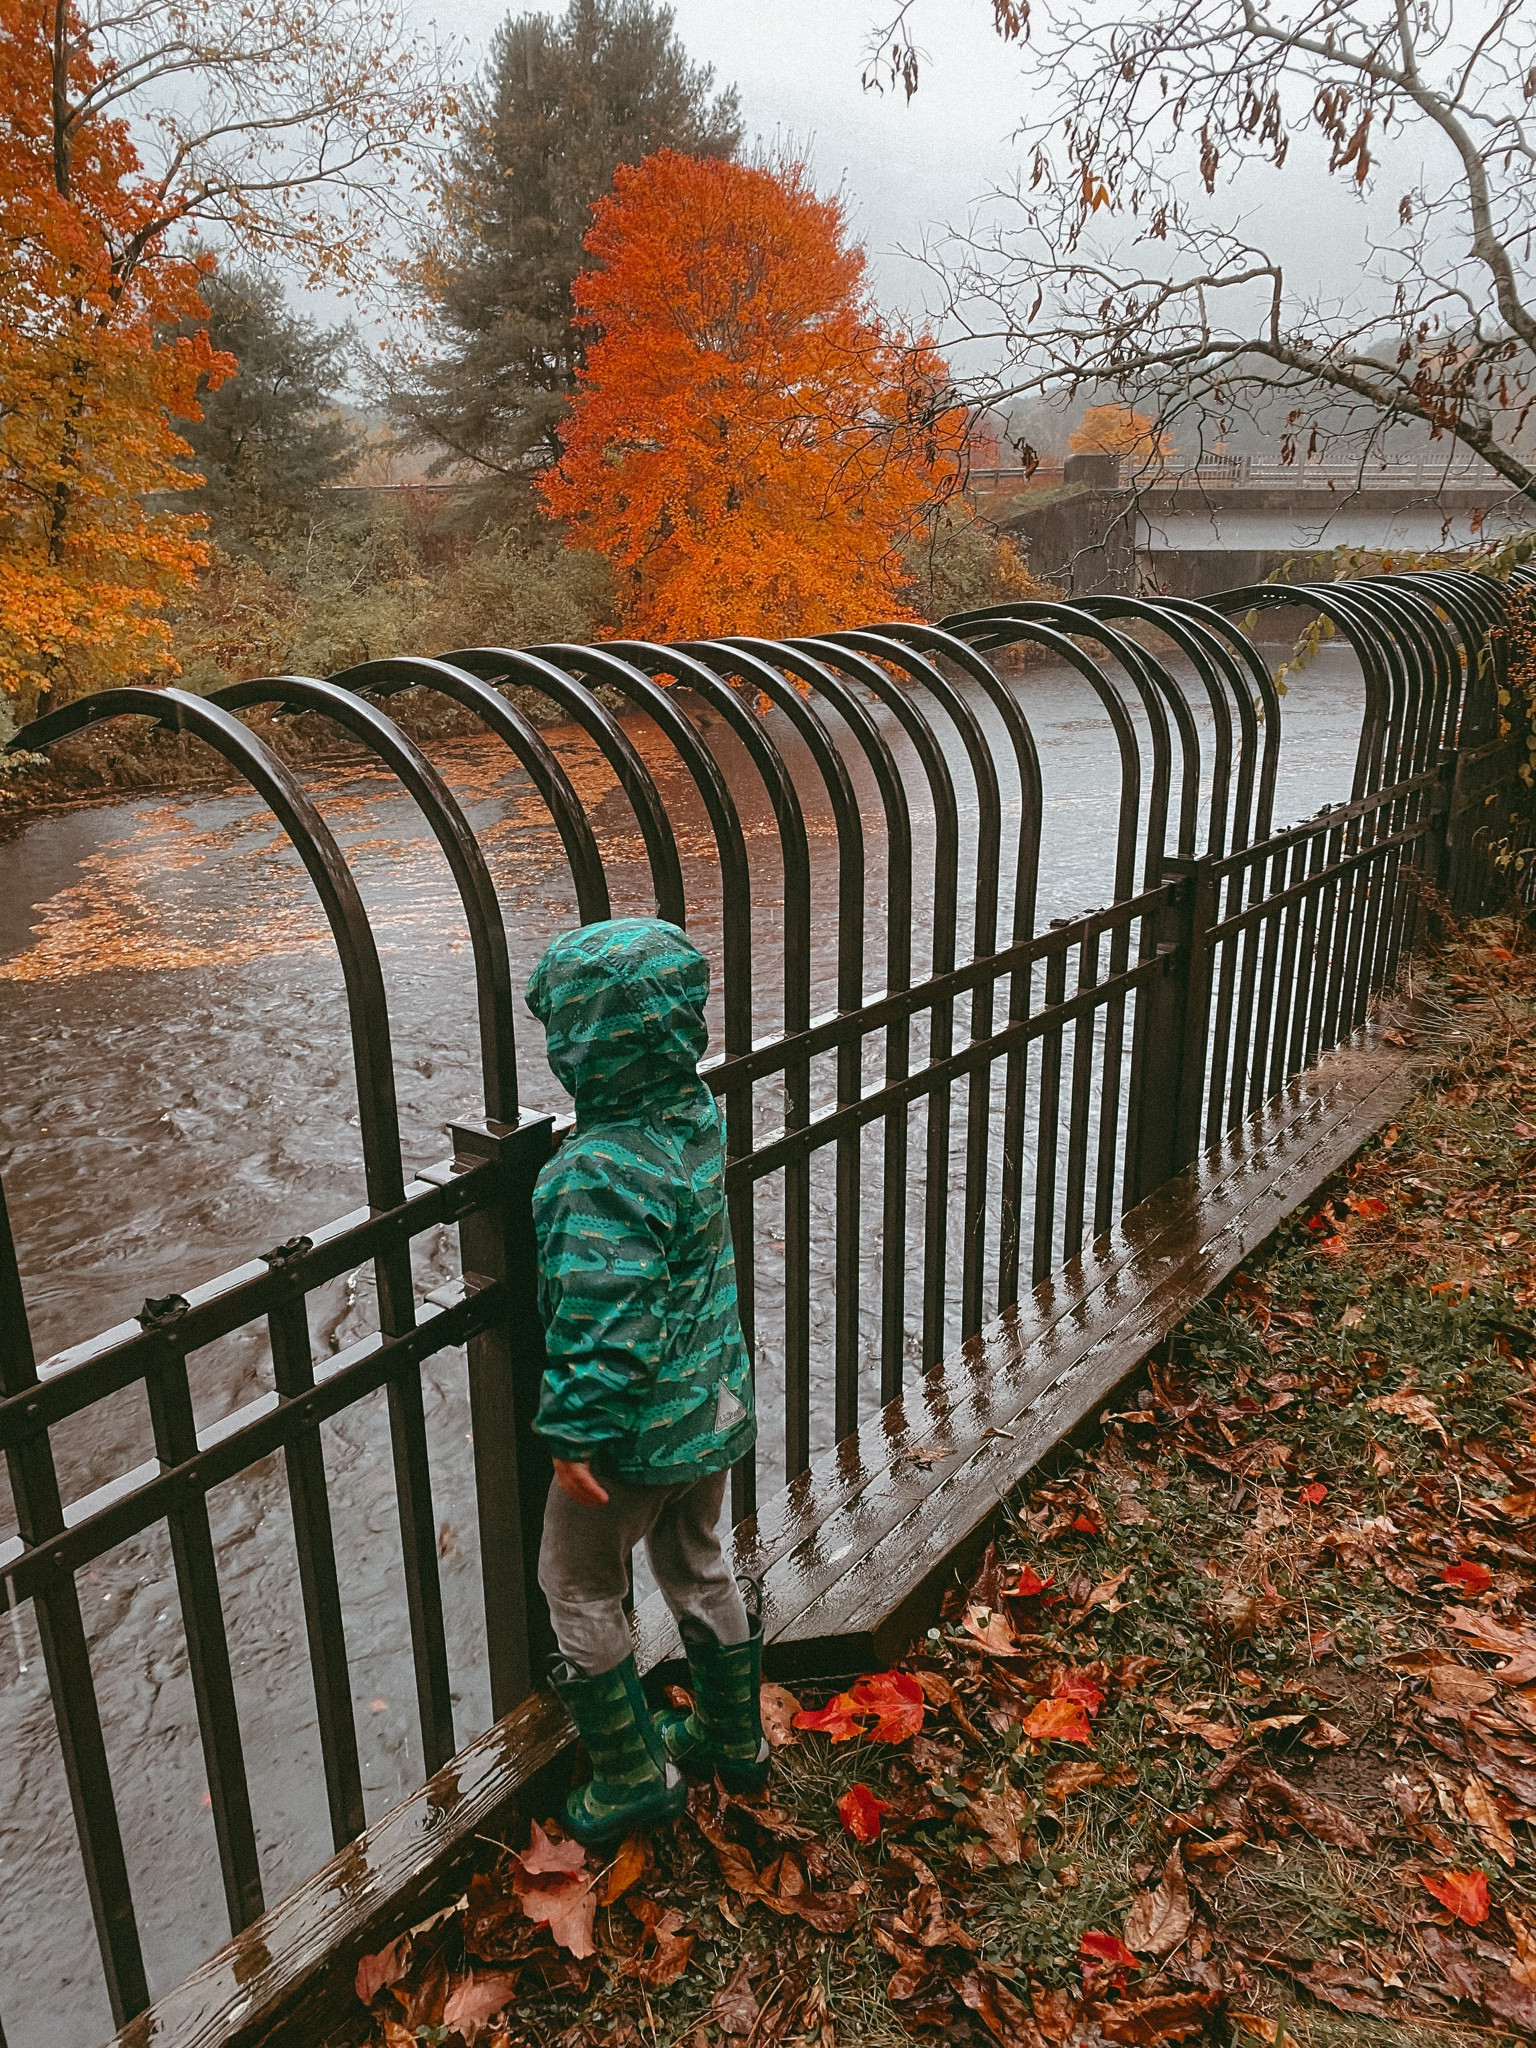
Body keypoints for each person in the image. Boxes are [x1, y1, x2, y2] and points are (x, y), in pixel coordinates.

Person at [525, 916, 768, 1847]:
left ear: (582, 1051)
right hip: (712, 1407)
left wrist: (576, 1434)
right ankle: (730, 1737)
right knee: (696, 1556)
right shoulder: (692, 1116)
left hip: (630, 1440)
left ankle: (630, 1775)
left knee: (578, 1585)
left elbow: (606, 1321)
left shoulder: (595, 1173)